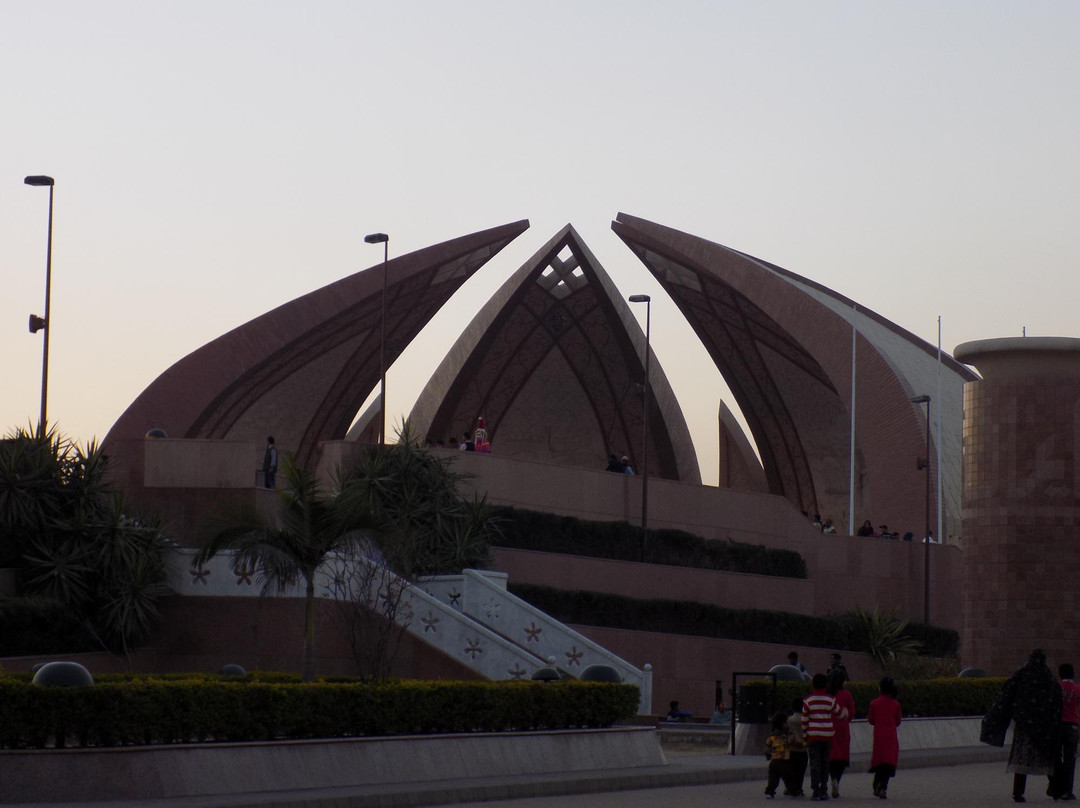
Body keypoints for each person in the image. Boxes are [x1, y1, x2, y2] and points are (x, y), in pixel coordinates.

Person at [982, 648, 1062, 802]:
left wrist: (997, 716)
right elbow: (1056, 702)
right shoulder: (1049, 679)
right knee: (1046, 756)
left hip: (1024, 726)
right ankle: (1055, 789)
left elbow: (1007, 694)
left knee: (1021, 758)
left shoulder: (1022, 675)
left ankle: (1018, 793)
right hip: (1044, 728)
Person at [802, 672, 849, 801]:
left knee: (814, 763)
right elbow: (840, 714)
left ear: (813, 685)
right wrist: (845, 712)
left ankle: (815, 790)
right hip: (828, 736)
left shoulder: (808, 700)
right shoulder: (830, 699)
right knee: (825, 763)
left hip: (813, 736)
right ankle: (824, 789)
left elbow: (804, 720)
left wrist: (805, 735)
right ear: (826, 685)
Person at [869, 676, 902, 799]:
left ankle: (876, 784)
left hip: (879, 737)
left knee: (879, 762)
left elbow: (871, 720)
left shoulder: (874, 703)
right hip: (891, 737)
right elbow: (898, 721)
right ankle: (883, 787)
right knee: (888, 763)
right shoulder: (896, 704)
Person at [1050, 663, 1080, 800]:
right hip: (1072, 726)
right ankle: (1068, 790)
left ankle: (1056, 787)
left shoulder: (1055, 687)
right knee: (1070, 760)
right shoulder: (1077, 689)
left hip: (1057, 726)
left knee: (1056, 759)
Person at [827, 669, 856, 798]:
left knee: (830, 757)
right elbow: (852, 713)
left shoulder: (827, 694)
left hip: (828, 728)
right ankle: (837, 780)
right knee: (841, 759)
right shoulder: (846, 695)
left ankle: (832, 778)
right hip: (843, 729)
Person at [765, 711, 793, 798]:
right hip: (785, 760)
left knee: (773, 778)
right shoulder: (787, 735)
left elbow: (767, 746)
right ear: (783, 724)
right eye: (786, 722)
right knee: (789, 777)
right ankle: (793, 791)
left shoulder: (771, 736)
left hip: (774, 760)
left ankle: (770, 791)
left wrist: (768, 755)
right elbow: (791, 743)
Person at [786, 696, 808, 797]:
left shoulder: (789, 720)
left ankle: (790, 788)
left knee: (791, 771)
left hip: (791, 750)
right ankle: (799, 788)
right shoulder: (806, 720)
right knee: (800, 772)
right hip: (803, 750)